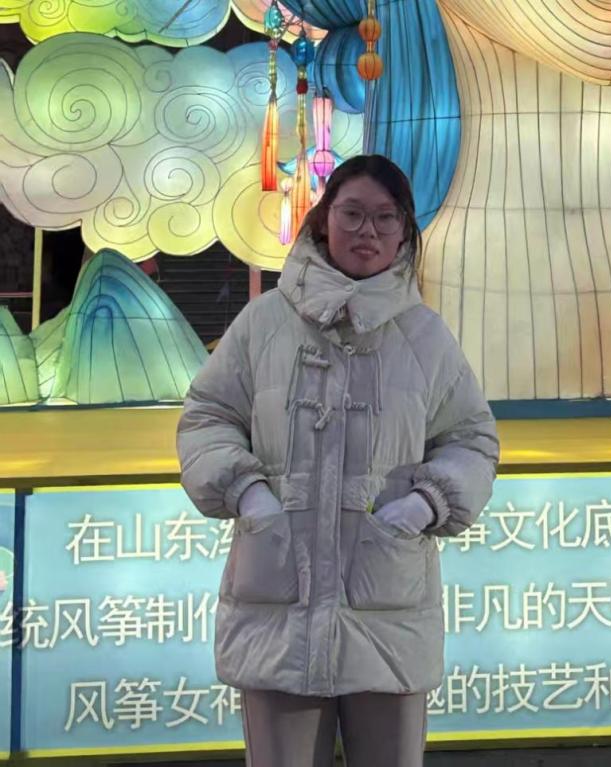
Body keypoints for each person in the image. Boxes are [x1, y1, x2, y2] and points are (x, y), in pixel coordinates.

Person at [176, 154, 500, 767]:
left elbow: (471, 439)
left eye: (385, 217)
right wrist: (250, 494)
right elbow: (207, 416)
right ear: (324, 221)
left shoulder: (425, 336)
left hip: (388, 605)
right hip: (277, 600)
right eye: (352, 214)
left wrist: (425, 503)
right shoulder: (264, 323)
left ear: (404, 231)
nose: (367, 231)